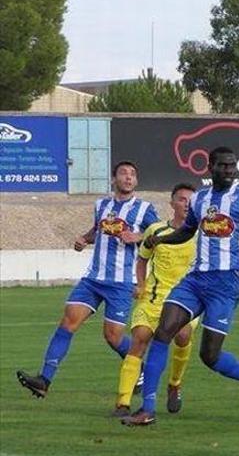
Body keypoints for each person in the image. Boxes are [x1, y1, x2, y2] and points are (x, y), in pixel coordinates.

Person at [121, 146, 239, 426]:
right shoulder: (200, 199)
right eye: (223, 166)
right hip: (195, 280)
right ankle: (147, 409)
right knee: (163, 332)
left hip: (225, 283)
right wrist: (161, 239)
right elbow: (187, 230)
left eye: (233, 166)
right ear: (210, 167)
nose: (229, 170)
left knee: (209, 355)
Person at [17, 161, 159, 398]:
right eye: (123, 173)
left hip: (121, 281)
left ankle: (139, 368)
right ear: (114, 179)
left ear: (136, 181)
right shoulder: (101, 204)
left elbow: (157, 234)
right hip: (93, 278)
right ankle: (44, 379)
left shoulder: (144, 208)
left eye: (133, 174)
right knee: (68, 322)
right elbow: (98, 231)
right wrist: (84, 239)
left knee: (113, 336)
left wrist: (138, 236)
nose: (128, 177)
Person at [113, 183, 200, 418]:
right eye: (182, 199)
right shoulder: (155, 230)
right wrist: (140, 284)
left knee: (183, 336)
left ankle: (174, 384)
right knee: (139, 339)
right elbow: (142, 260)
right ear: (172, 204)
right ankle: (122, 403)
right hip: (153, 298)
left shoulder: (202, 235)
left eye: (190, 201)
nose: (186, 204)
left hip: (186, 299)